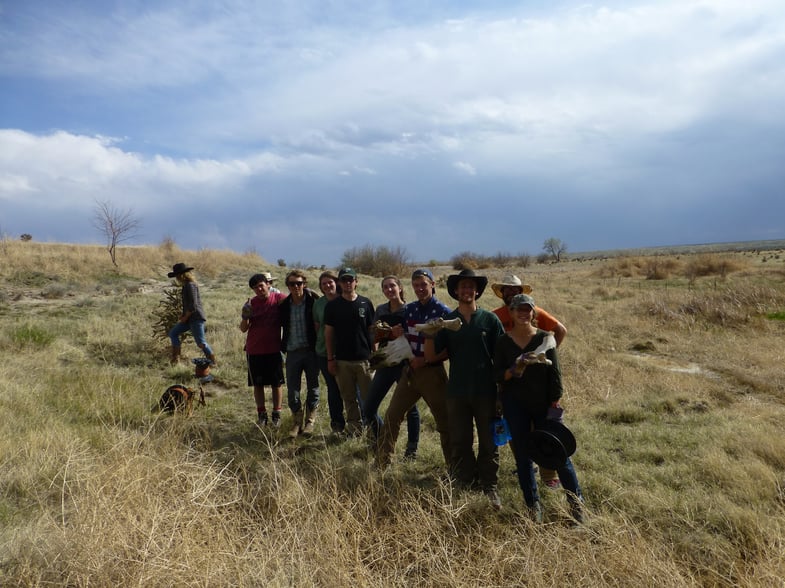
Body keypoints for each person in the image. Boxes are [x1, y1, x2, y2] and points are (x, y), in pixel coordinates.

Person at [494, 293, 584, 523]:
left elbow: (556, 376)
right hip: (515, 405)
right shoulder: (503, 342)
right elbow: (498, 376)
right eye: (519, 309)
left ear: (533, 313)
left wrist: (555, 401)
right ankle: (533, 507)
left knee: (558, 453)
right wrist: (517, 366)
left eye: (528, 309)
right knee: (523, 458)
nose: (523, 313)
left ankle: (577, 506)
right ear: (511, 313)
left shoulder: (546, 338)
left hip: (544, 404)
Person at [426, 269, 505, 510]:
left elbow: (500, 359)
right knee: (460, 440)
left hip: (486, 391)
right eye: (462, 287)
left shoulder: (490, 320)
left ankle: (489, 485)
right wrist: (430, 334)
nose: (467, 290)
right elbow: (431, 357)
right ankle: (464, 481)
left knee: (489, 441)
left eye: (471, 286)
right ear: (456, 292)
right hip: (457, 391)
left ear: (477, 291)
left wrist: (502, 393)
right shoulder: (448, 322)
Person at [491, 273, 567, 489]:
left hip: (536, 382)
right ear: (502, 293)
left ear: (521, 292)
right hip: (508, 378)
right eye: (507, 289)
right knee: (515, 426)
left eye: (515, 289)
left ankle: (549, 472)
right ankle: (526, 464)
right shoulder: (495, 316)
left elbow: (560, 330)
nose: (511, 292)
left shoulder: (533, 311)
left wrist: (545, 355)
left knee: (542, 425)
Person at [377, 268, 452, 469]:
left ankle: (456, 469)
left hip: (432, 374)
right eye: (416, 285)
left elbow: (450, 349)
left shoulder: (444, 312)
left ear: (433, 285)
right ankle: (383, 464)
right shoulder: (409, 310)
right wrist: (395, 333)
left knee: (445, 423)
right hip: (409, 372)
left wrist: (426, 361)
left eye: (423, 284)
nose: (419, 288)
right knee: (392, 416)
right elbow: (403, 337)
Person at [363, 276, 420, 459]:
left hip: (405, 366)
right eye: (385, 287)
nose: (389, 289)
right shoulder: (381, 310)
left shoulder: (410, 309)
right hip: (386, 364)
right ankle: (382, 440)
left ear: (400, 287)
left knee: (410, 410)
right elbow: (374, 336)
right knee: (369, 408)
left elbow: (417, 336)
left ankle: (411, 450)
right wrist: (388, 333)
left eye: (392, 286)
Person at [324, 268, 375, 437]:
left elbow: (371, 331)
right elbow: (329, 334)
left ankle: (372, 428)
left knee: (370, 398)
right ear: (339, 283)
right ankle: (355, 429)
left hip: (364, 360)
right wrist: (330, 359)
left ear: (356, 281)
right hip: (342, 361)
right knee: (349, 398)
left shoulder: (366, 303)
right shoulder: (332, 306)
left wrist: (375, 355)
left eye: (350, 280)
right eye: (344, 280)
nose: (347, 283)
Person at [239, 272, 287, 427]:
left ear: (268, 284)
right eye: (255, 288)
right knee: (257, 385)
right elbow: (243, 329)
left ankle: (277, 414)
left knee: (276, 383)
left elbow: (294, 301)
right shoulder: (251, 303)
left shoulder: (278, 299)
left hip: (273, 349)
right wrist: (245, 316)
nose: (259, 289)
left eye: (261, 285)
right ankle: (261, 414)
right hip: (254, 349)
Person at [280, 269, 321, 438]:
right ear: (288, 286)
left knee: (313, 387)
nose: (296, 286)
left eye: (299, 283)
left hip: (311, 351)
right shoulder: (283, 306)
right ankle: (296, 422)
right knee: (293, 390)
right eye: (292, 284)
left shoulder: (313, 301)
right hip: (292, 352)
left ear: (304, 284)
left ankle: (310, 421)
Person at [313, 270, 348, 434]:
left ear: (337, 283)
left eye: (330, 282)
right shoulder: (318, 304)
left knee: (350, 389)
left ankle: (357, 422)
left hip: (346, 352)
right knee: (333, 389)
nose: (327, 286)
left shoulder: (346, 299)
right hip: (323, 352)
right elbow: (317, 327)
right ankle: (337, 425)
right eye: (323, 284)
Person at [167, 263, 217, 366]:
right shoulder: (186, 285)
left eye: (177, 276)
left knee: (201, 343)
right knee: (173, 333)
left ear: (181, 275)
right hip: (189, 318)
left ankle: (213, 362)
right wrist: (183, 315)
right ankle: (175, 359)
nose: (176, 278)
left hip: (196, 318)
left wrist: (185, 316)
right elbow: (189, 304)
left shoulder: (190, 285)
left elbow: (193, 305)